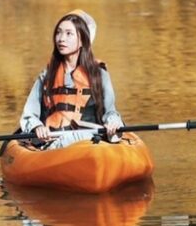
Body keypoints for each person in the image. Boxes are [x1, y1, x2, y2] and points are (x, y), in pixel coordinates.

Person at [17, 10, 123, 150]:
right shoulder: (46, 75)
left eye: (69, 34)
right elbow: (29, 114)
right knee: (65, 139)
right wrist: (37, 127)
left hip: (90, 139)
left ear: (82, 40)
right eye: (58, 33)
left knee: (83, 137)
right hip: (54, 141)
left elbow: (110, 111)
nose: (61, 39)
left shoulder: (99, 75)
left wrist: (113, 123)